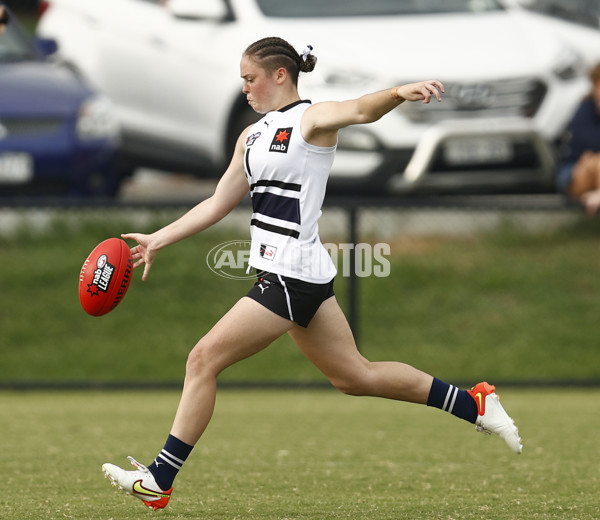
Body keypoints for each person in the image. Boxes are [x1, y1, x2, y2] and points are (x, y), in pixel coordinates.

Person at [102, 37, 522, 511]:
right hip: (290, 275)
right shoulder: (252, 136)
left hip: (290, 276)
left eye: (250, 79)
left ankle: (160, 478)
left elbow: (360, 109)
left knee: (202, 360)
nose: (245, 89)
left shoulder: (311, 120)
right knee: (355, 376)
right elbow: (218, 202)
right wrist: (159, 238)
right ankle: (475, 405)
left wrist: (398, 92)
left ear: (280, 75)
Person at [556, 62, 600, 216]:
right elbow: (586, 145)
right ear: (595, 85)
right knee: (596, 163)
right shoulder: (584, 110)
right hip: (575, 169)